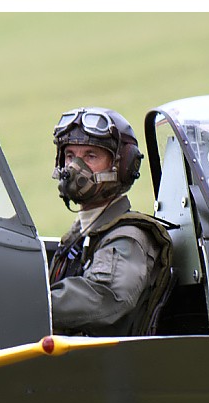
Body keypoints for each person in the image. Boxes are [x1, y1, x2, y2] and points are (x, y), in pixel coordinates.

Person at [49, 107, 172, 337]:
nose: (75, 167)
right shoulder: (81, 234)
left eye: (90, 156)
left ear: (123, 166)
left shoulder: (128, 238)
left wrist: (33, 304)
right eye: (70, 156)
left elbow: (105, 296)